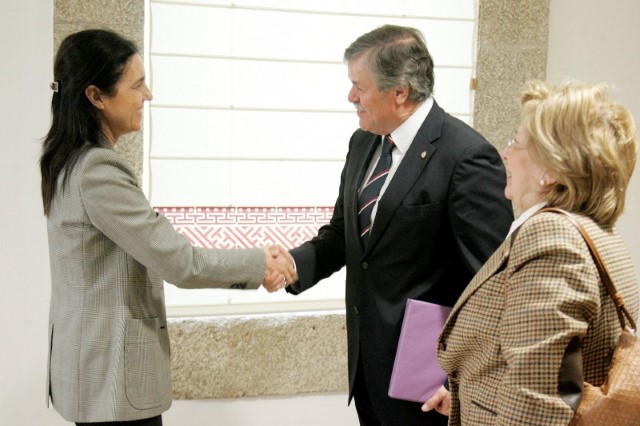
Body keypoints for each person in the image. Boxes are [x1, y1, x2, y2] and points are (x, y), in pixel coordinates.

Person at [41, 29, 294, 425]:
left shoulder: (69, 161)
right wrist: (259, 262)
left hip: (94, 373)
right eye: (137, 85)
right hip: (113, 381)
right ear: (96, 96)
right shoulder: (97, 170)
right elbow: (179, 262)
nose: (148, 96)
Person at [278, 25, 514, 425]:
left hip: (429, 385)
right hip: (368, 373)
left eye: (359, 86)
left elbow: (492, 287)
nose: (351, 96)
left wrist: (461, 382)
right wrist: (291, 265)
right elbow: (343, 235)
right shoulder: (364, 142)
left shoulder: (467, 157)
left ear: (400, 92)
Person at [423, 80, 640, 424]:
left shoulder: (550, 237)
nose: (505, 153)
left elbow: (538, 398)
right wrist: (469, 394)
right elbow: (539, 365)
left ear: (551, 170)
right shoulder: (593, 230)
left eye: (517, 143)